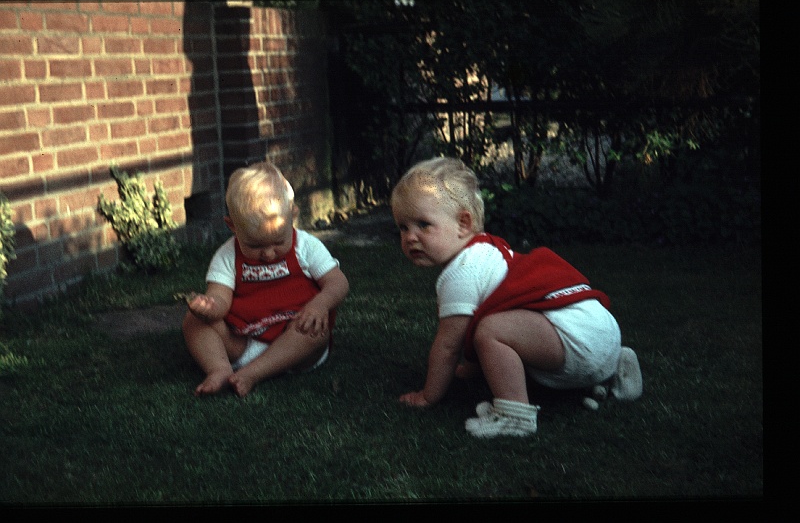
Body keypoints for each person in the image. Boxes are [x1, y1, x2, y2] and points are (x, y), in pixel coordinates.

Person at [390, 156, 642, 438]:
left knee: (492, 331)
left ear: (463, 223)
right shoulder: (488, 248)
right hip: (601, 329)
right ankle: (615, 366)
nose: (410, 237)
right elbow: (489, 307)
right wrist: (473, 369)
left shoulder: (460, 274)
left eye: (423, 225)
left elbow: (449, 345)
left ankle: (515, 415)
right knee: (498, 324)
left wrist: (428, 395)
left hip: (576, 343)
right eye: (403, 227)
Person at [182, 162, 349, 398]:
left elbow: (338, 282)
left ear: (293, 214)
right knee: (193, 322)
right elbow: (220, 297)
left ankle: (251, 374)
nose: (269, 254)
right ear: (232, 226)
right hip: (245, 342)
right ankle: (219, 369)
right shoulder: (227, 255)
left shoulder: (306, 246)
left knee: (316, 332)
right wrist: (209, 308)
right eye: (255, 245)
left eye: (279, 242)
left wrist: (320, 304)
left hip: (296, 341)